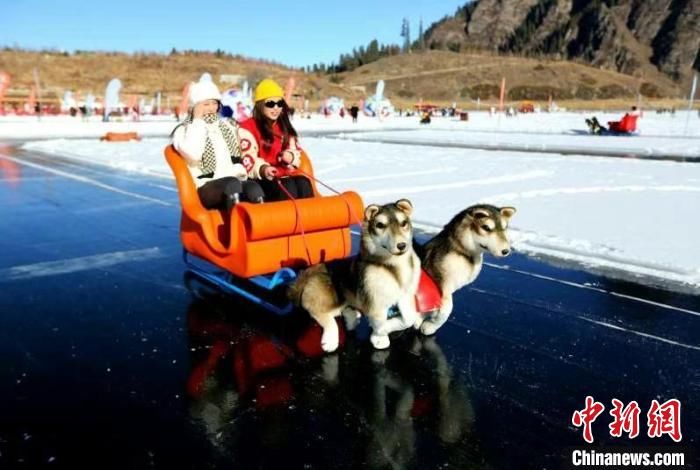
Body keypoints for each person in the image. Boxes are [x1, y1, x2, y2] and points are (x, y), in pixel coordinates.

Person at [172, 80, 264, 212]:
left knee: (253, 188)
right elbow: (194, 154)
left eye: (214, 103)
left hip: (231, 180)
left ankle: (255, 230)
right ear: (195, 106)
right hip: (203, 186)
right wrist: (197, 121)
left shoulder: (224, 128)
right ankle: (233, 230)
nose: (211, 108)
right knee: (231, 185)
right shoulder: (184, 130)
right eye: (206, 104)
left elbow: (237, 156)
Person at [238, 78, 314, 202]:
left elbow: (295, 150)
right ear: (260, 104)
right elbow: (248, 157)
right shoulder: (248, 127)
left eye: (279, 103)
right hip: (260, 179)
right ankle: (286, 219)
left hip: (283, 175)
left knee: (303, 182)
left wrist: (290, 156)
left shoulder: (283, 125)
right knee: (287, 186)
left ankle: (310, 218)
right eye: (270, 104)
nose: (276, 108)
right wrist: (263, 169)